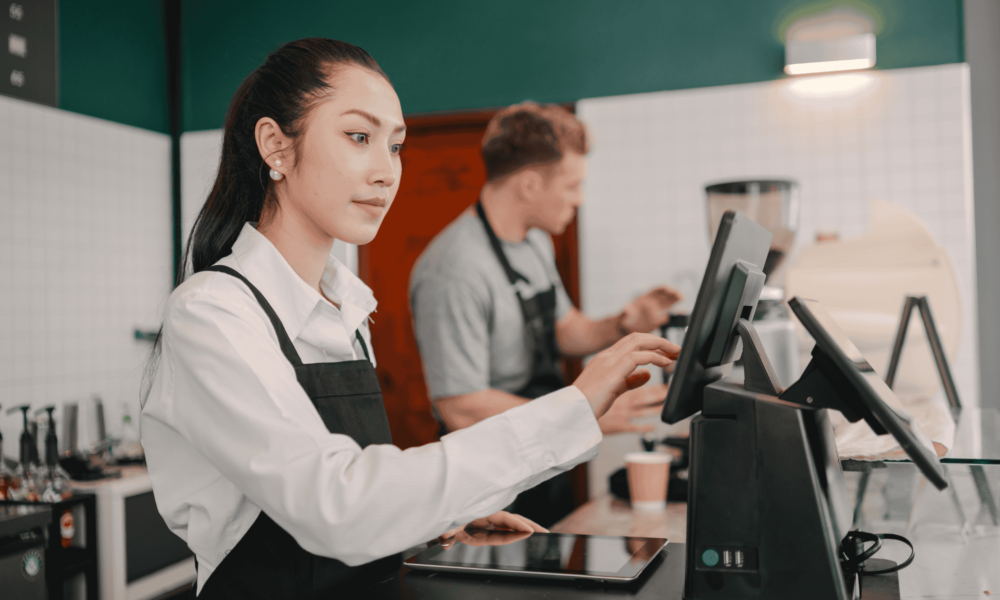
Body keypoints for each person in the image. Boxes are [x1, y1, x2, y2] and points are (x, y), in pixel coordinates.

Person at [140, 39, 679, 599]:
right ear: (276, 145)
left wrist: (442, 519)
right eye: (359, 137)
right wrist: (576, 406)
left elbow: (364, 476)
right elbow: (335, 505)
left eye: (395, 146)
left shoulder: (346, 309)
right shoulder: (211, 314)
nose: (386, 171)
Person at [409, 102, 682, 527]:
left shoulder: (534, 242)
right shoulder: (453, 271)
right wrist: (581, 413)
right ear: (530, 185)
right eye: (573, 186)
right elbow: (461, 406)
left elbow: (566, 329)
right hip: (488, 481)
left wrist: (626, 322)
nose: (580, 199)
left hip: (542, 459)